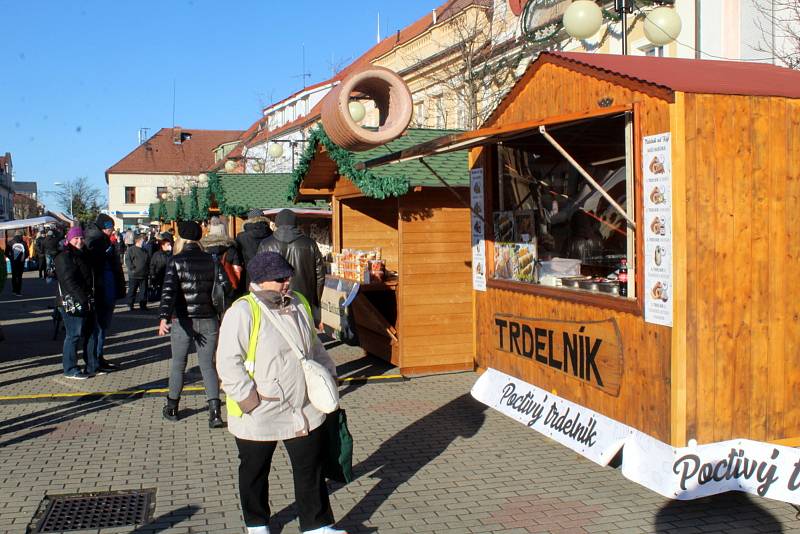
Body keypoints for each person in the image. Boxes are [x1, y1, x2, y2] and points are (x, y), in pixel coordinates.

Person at [216, 252, 345, 534]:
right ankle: (257, 523)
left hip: (303, 406)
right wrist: (250, 401)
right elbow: (228, 362)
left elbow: (314, 346)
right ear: (261, 281)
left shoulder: (299, 303)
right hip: (260, 409)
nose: (287, 282)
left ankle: (317, 525)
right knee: (254, 471)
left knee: (310, 468)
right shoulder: (242, 311)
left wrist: (329, 374)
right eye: (280, 279)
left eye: (288, 276)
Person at [158, 221, 223, 428]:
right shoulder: (212, 260)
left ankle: (172, 407)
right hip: (208, 318)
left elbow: (168, 291)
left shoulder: (175, 261)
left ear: (181, 238)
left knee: (179, 364)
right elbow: (225, 287)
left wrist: (163, 318)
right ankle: (214, 414)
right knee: (207, 366)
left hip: (182, 320)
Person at [258, 209, 325, 326]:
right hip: (304, 297)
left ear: (277, 223)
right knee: (304, 332)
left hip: (275, 297)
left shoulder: (266, 244)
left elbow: (259, 274)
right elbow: (320, 276)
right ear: (296, 223)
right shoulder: (309, 244)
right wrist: (316, 300)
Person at [54, 226, 99, 379]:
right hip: (72, 301)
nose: (79, 241)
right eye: (76, 238)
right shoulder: (64, 256)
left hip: (87, 299)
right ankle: (70, 368)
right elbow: (68, 281)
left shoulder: (84, 254)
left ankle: (92, 365)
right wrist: (83, 299)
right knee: (73, 335)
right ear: (69, 239)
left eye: (81, 238)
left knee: (90, 333)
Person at [85, 214, 126, 372]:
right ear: (103, 228)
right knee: (98, 327)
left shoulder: (102, 240)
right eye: (110, 229)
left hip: (106, 289)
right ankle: (94, 361)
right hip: (101, 291)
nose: (112, 232)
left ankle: (98, 358)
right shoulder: (96, 241)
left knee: (101, 327)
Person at [200, 217, 243, 311]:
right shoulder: (231, 249)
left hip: (207, 286)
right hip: (228, 288)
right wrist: (235, 286)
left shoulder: (203, 248)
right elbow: (237, 269)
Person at [236, 208, 272, 287]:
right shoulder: (272, 235)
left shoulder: (241, 237)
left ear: (249, 220)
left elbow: (237, 259)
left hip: (248, 275)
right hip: (269, 275)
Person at [125, 233, 150, 311]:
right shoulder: (131, 249)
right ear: (138, 241)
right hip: (134, 275)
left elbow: (148, 261)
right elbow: (128, 260)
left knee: (143, 292)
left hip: (144, 274)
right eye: (143, 240)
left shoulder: (145, 250)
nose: (145, 242)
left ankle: (143, 305)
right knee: (132, 291)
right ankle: (130, 305)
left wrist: (148, 271)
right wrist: (132, 269)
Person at [149, 232, 173, 302]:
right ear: (163, 245)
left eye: (170, 244)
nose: (169, 246)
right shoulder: (157, 254)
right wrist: (152, 275)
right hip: (159, 277)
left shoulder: (172, 255)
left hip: (169, 277)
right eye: (168, 245)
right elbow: (152, 265)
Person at [5, 230, 29, 296]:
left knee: (14, 276)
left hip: (13, 262)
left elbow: (6, 253)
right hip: (21, 263)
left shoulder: (10, 242)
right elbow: (27, 253)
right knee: (19, 276)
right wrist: (23, 258)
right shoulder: (23, 243)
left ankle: (14, 290)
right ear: (21, 235)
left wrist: (11, 258)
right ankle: (18, 291)